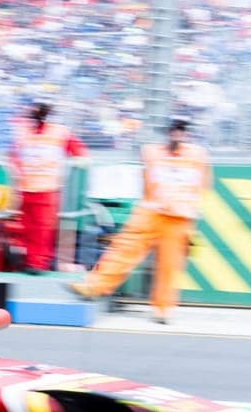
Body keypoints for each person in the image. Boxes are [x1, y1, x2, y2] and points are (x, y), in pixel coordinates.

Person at [68, 118, 210, 324]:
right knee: (122, 250)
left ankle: (163, 309)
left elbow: (203, 186)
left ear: (187, 134)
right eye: (174, 130)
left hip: (179, 219)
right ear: (168, 132)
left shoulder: (197, 156)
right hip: (150, 214)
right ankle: (94, 286)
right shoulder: (152, 153)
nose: (177, 135)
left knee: (169, 266)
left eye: (182, 130)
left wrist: (190, 213)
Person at [11, 101, 87, 273]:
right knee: (28, 227)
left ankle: (38, 263)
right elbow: (15, 155)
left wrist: (78, 163)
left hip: (47, 189)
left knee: (42, 228)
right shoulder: (23, 133)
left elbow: (79, 151)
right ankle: (31, 261)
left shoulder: (59, 132)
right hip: (26, 188)